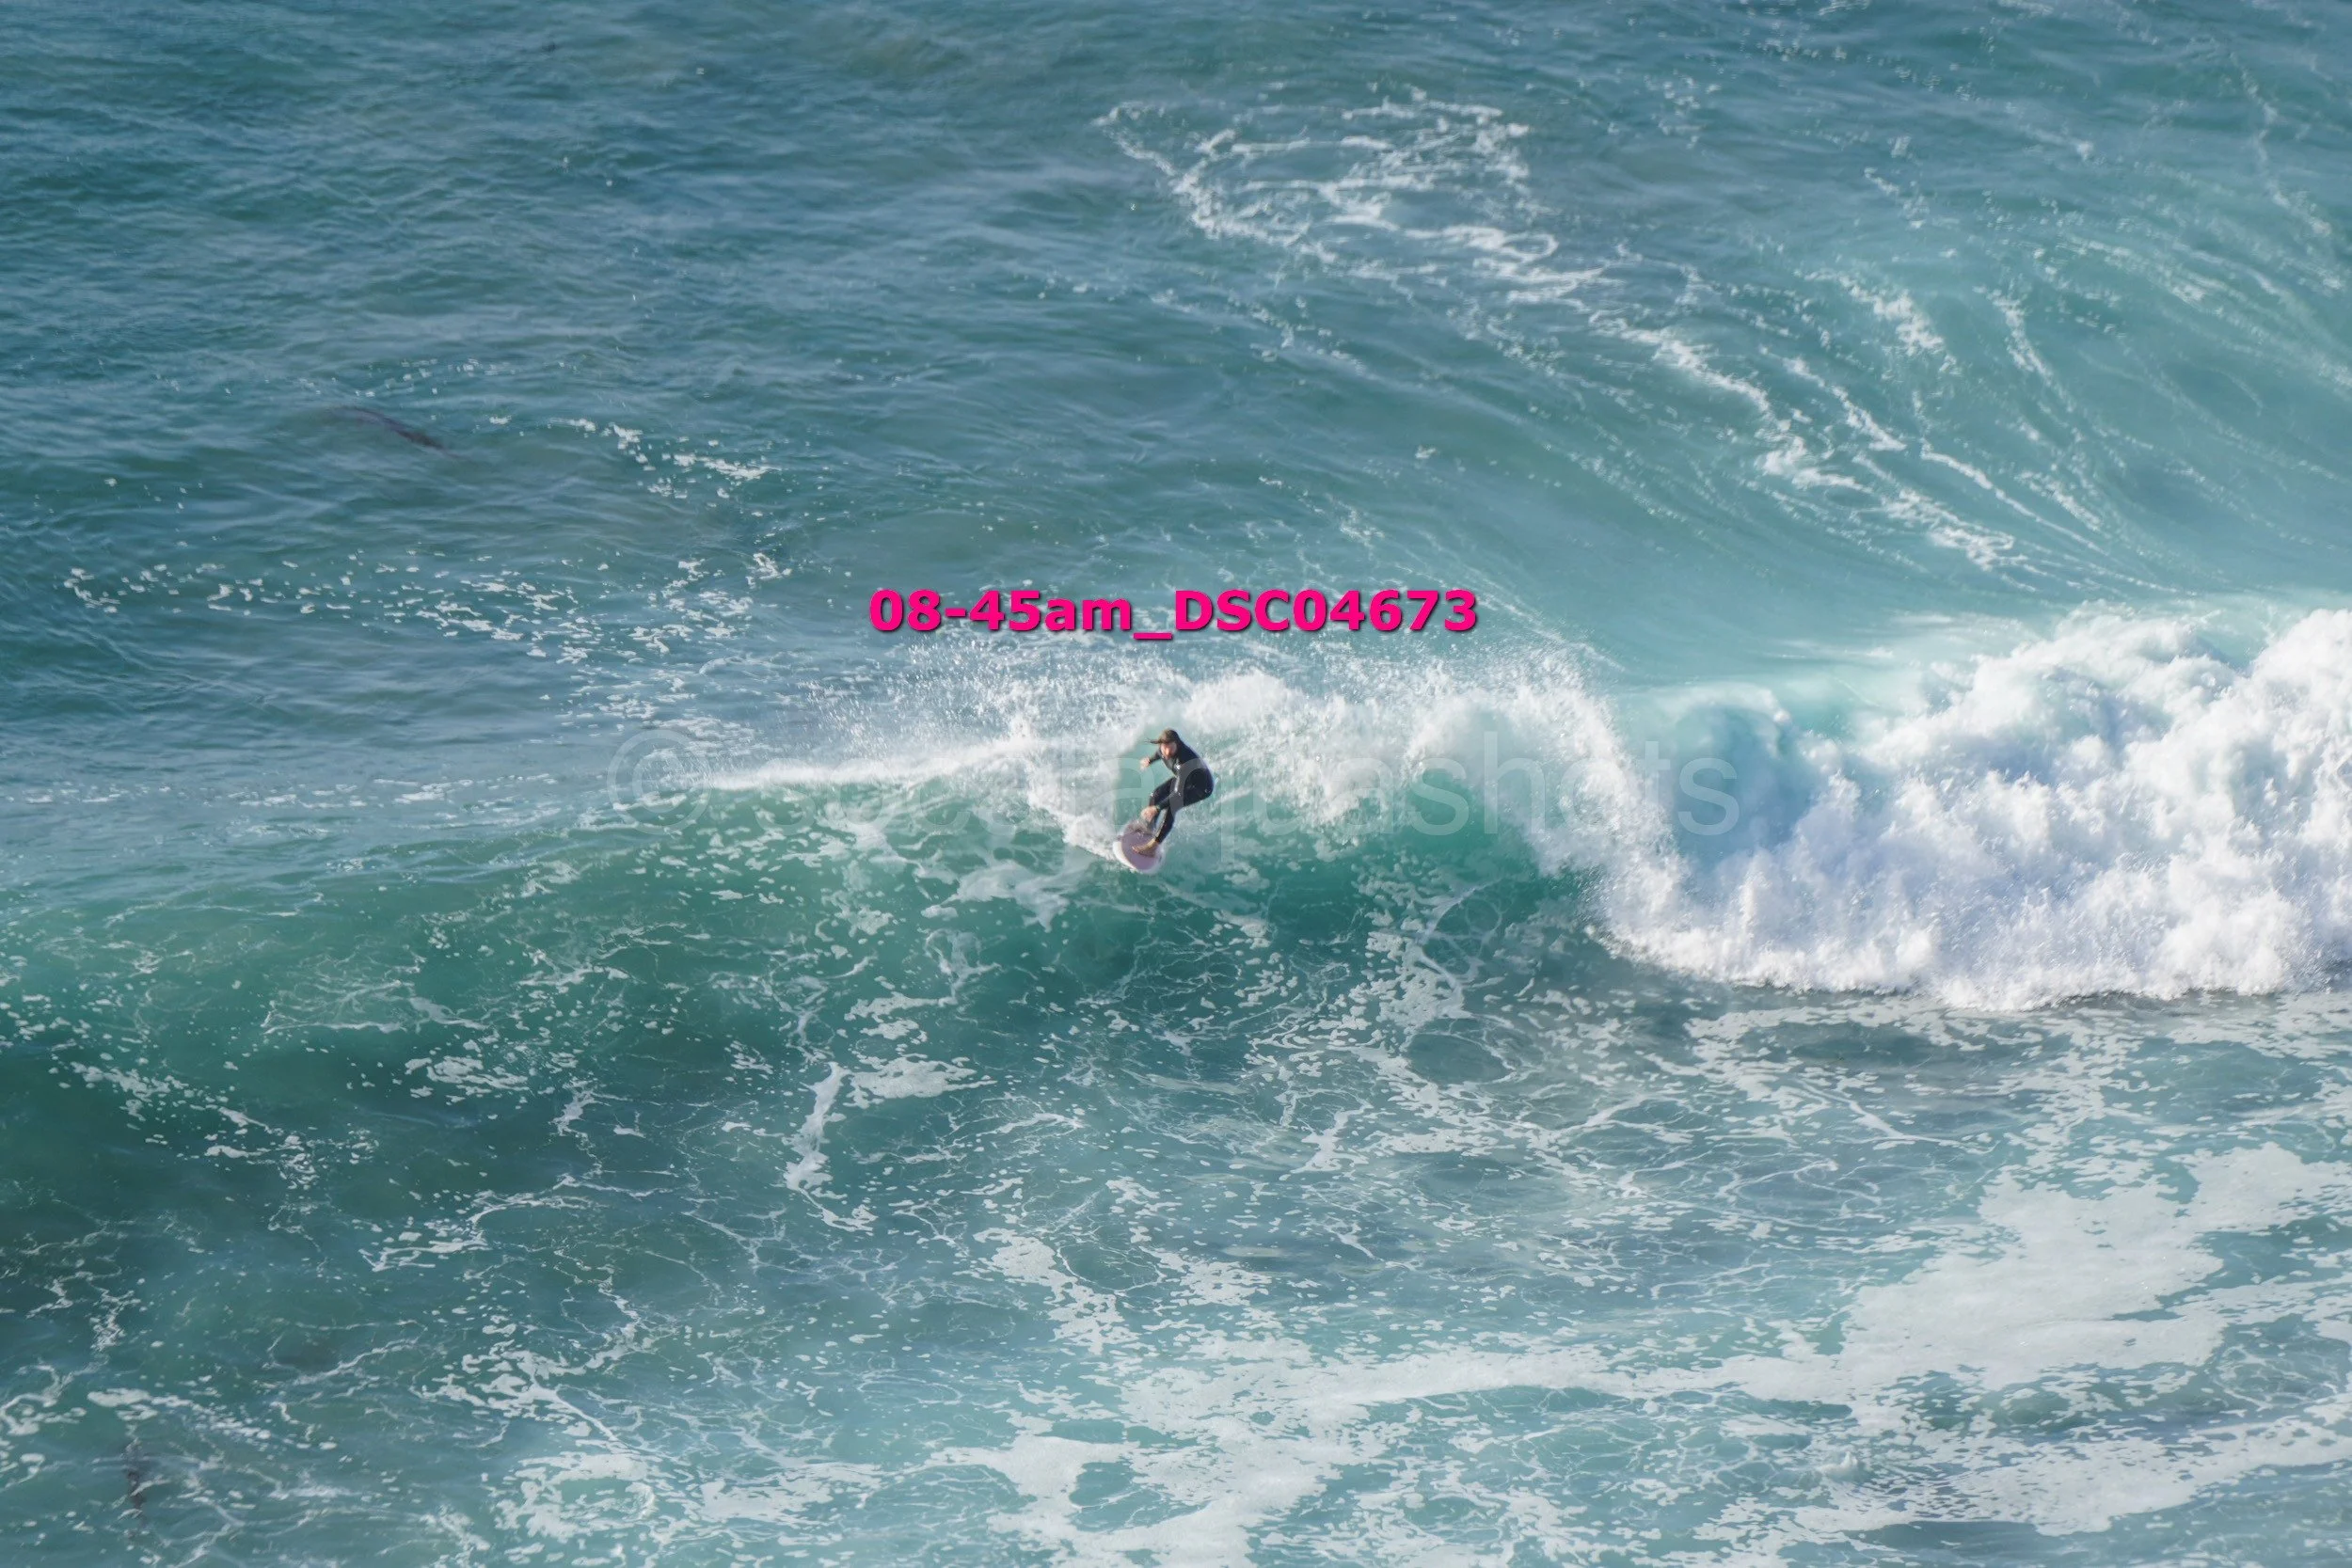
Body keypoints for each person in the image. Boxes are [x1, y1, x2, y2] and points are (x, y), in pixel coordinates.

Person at [1136, 728, 1215, 848]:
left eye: (1171, 748)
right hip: (1184, 779)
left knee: (1172, 806)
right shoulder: (1163, 750)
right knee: (1155, 795)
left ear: (1177, 744)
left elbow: (1178, 794)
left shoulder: (1183, 761)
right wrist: (1150, 760)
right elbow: (1159, 754)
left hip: (1201, 787)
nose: (1167, 752)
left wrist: (1157, 808)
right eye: (1164, 747)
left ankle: (1153, 846)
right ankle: (1149, 828)